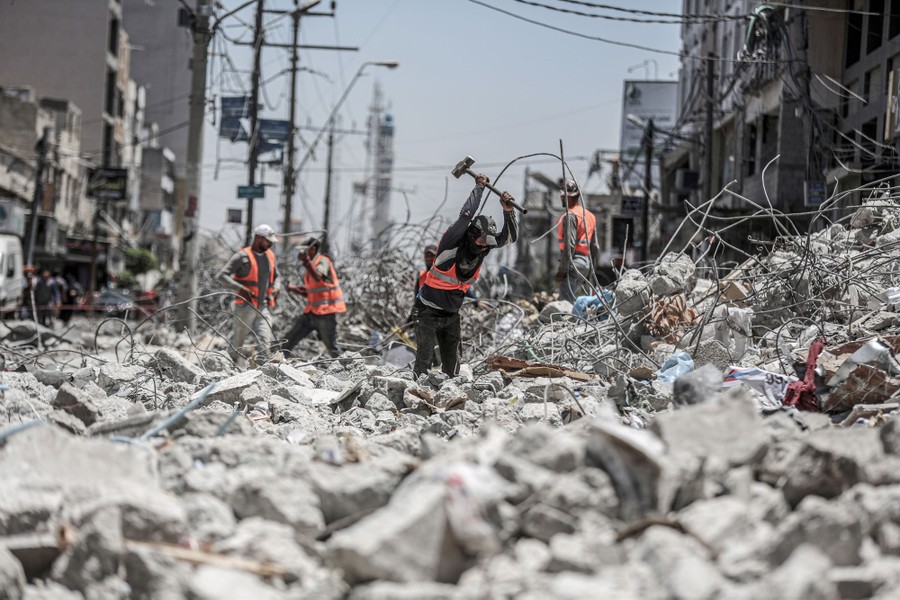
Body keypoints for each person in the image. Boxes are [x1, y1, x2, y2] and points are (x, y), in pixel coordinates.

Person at [413, 173, 517, 377]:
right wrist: (479, 187)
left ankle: (448, 400)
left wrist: (508, 211)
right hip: (427, 312)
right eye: (481, 241)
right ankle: (416, 398)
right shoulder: (451, 243)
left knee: (452, 367)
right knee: (424, 361)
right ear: (472, 235)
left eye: (488, 242)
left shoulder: (483, 246)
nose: (484, 246)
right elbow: (466, 215)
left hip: (451, 315)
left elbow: (509, 237)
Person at [216, 224, 280, 366]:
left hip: (263, 306)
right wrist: (241, 288)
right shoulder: (242, 256)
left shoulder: (270, 257)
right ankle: (228, 367)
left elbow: (277, 277)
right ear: (258, 238)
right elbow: (222, 276)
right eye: (267, 241)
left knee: (264, 341)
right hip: (245, 307)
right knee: (237, 343)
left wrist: (277, 288)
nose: (270, 244)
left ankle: (263, 372)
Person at [282, 237, 346, 358]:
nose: (302, 253)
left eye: (305, 250)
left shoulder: (322, 261)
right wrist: (295, 289)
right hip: (311, 313)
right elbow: (313, 292)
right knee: (289, 339)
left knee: (331, 347)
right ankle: (277, 362)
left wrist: (306, 261)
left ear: (313, 249)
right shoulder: (311, 265)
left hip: (325, 314)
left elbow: (318, 277)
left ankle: (346, 369)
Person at [555, 179, 601, 303]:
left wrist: (562, 269)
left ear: (574, 197)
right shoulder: (590, 215)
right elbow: (595, 247)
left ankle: (568, 320)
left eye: (565, 197)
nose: (562, 199)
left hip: (573, 262)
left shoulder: (569, 215)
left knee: (566, 302)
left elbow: (569, 245)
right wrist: (591, 268)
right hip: (585, 263)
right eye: (562, 196)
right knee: (574, 298)